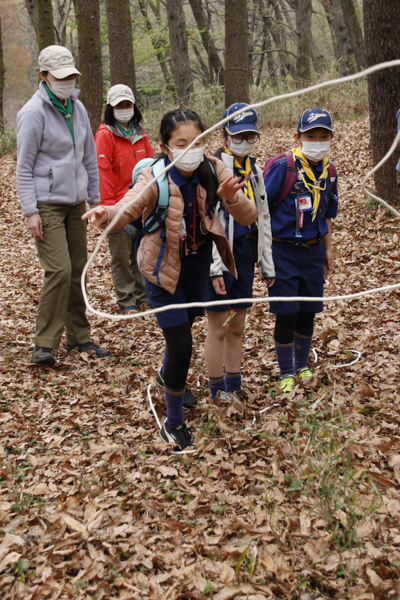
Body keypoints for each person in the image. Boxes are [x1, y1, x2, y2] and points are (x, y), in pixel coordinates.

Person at [83, 108, 257, 450]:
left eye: (197, 141)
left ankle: (166, 375)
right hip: (160, 273)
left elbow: (248, 216)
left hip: (197, 271)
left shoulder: (213, 169)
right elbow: (129, 206)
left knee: (186, 328)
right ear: (165, 146)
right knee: (180, 347)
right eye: (182, 142)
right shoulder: (155, 176)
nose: (191, 148)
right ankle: (173, 423)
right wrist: (106, 214)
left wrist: (231, 197)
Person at [16, 45, 110, 367]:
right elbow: (23, 167)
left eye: (71, 76)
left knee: (78, 271)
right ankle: (43, 345)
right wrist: (31, 211)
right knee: (59, 270)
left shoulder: (79, 109)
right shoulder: (33, 113)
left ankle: (79, 339)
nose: (67, 82)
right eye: (60, 77)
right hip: (47, 205)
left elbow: (88, 159)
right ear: (44, 77)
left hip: (76, 204)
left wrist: (96, 202)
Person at [264, 108, 338, 392]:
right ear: (298, 137)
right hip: (283, 250)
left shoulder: (329, 171)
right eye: (310, 136)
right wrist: (264, 255)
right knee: (286, 311)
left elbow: (327, 215)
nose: (317, 141)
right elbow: (262, 209)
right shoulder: (285, 167)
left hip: (313, 251)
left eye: (323, 136)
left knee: (308, 311)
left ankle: (301, 364)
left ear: (331, 138)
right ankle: (285, 371)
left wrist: (328, 249)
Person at [204, 103, 275, 400]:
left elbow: (264, 218)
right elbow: (209, 222)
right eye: (238, 135)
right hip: (221, 257)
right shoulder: (211, 169)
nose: (244, 141)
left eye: (250, 136)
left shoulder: (256, 170)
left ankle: (234, 384)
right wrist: (214, 268)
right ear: (224, 135)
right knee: (218, 326)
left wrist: (267, 265)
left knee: (237, 325)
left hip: (246, 254)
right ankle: (217, 389)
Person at [95, 84, 154, 312]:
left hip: (141, 203)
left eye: (127, 104)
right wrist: (110, 210)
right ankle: (126, 299)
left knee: (140, 253)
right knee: (120, 255)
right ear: (111, 108)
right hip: (118, 205)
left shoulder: (140, 134)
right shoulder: (104, 136)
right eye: (119, 105)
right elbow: (103, 173)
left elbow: (151, 167)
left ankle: (143, 295)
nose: (124, 108)